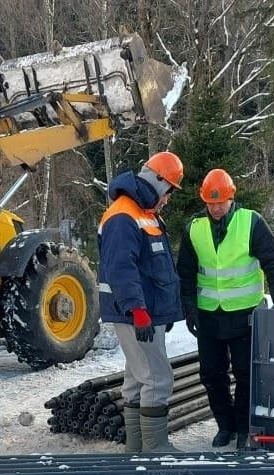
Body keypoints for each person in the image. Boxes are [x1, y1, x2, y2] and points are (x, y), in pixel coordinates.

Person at [177, 168, 274, 450]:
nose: (215, 208)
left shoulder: (251, 222)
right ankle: (224, 426)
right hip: (209, 316)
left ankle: (242, 428)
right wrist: (188, 307)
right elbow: (186, 273)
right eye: (210, 203)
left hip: (245, 316)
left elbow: (273, 262)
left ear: (232, 197)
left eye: (221, 202)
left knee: (245, 374)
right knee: (212, 375)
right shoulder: (194, 228)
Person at [98, 151, 185, 452]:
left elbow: (156, 268)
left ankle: (135, 448)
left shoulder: (143, 213)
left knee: (137, 378)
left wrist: (161, 311)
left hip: (143, 312)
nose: (169, 198)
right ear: (158, 182)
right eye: (170, 190)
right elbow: (121, 268)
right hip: (134, 313)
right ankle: (156, 449)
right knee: (158, 378)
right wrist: (138, 311)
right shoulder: (124, 215)